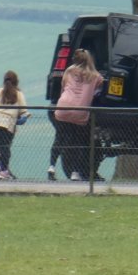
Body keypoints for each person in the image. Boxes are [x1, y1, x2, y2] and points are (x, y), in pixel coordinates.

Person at [49, 48, 103, 180]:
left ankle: (51, 166)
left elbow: (63, 87)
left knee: (60, 138)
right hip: (80, 111)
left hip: (64, 107)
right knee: (78, 141)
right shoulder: (95, 76)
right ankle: (75, 172)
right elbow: (98, 92)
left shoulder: (69, 70)